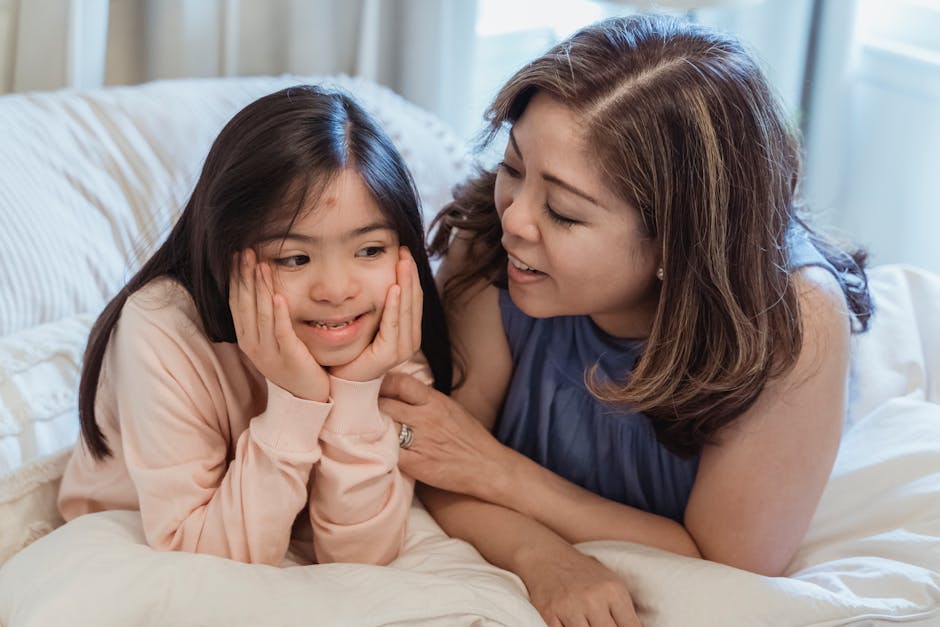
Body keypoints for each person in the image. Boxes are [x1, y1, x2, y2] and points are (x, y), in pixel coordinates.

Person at [378, 13, 872, 627]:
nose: (514, 219)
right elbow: (440, 457)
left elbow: (728, 560)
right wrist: (541, 555)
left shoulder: (792, 323)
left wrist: (498, 470)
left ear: (677, 242)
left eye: (562, 211)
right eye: (512, 168)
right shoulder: (491, 239)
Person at [58, 85, 452, 567]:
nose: (335, 289)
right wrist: (297, 404)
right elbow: (203, 560)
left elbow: (362, 561)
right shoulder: (161, 329)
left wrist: (357, 393)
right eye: (294, 257)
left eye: (370, 250)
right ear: (228, 253)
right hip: (137, 547)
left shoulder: (384, 331)